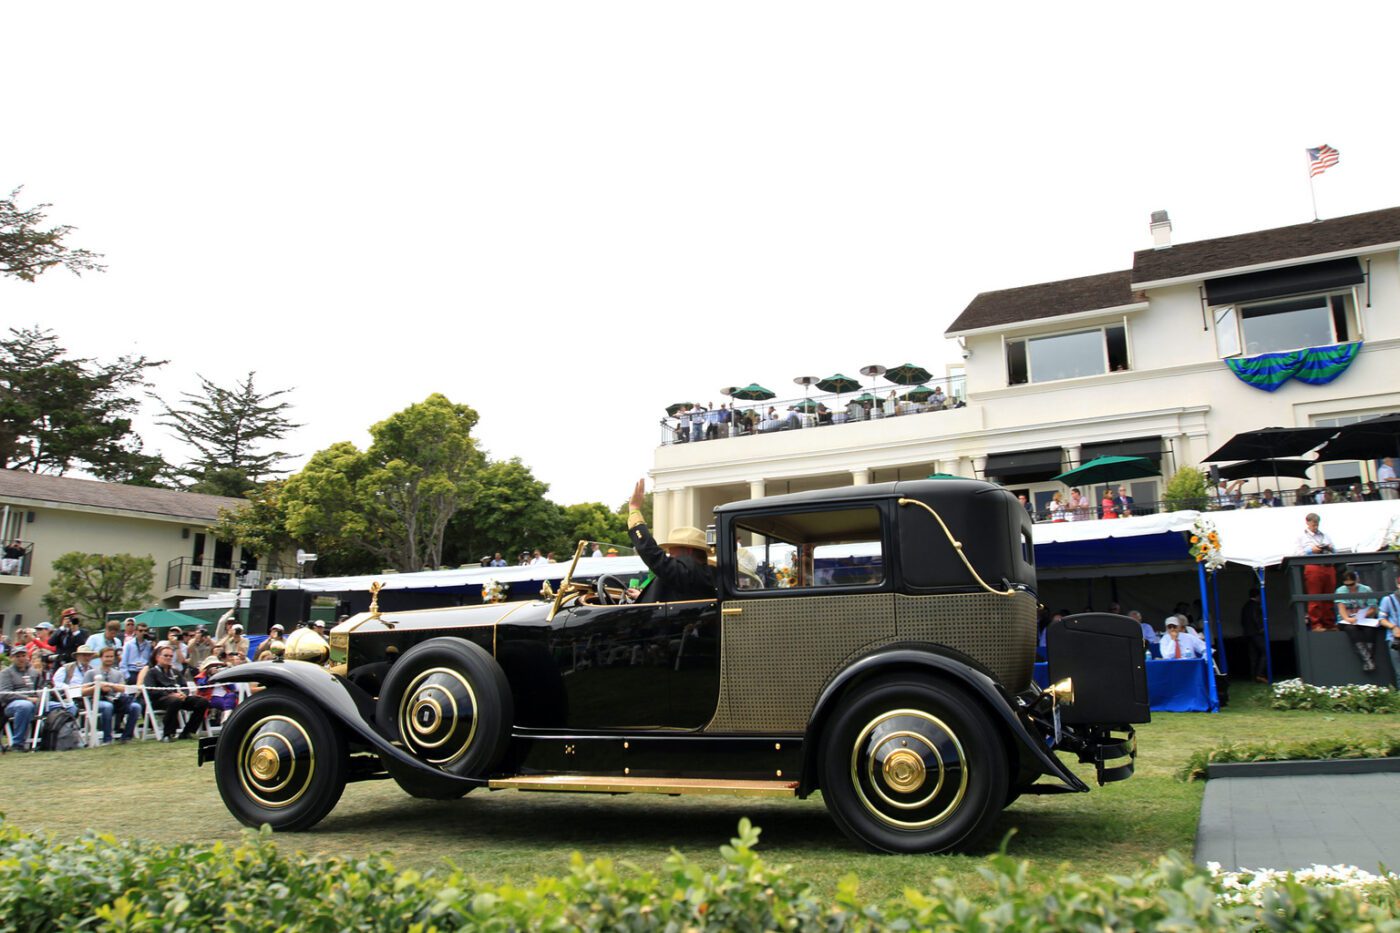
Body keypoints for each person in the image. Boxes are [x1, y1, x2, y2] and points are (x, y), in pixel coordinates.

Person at [622, 478, 715, 603]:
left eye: (672, 552)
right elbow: (677, 595)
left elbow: (650, 551)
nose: (669, 555)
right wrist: (642, 596)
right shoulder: (706, 573)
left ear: (687, 551)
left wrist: (634, 509)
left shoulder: (687, 572)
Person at [143, 644, 209, 741]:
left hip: (178, 698)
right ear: (158, 657)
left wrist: (184, 694)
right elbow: (151, 690)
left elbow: (184, 687)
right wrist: (170, 694)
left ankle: (187, 732)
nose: (168, 658)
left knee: (202, 702)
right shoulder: (151, 672)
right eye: (166, 655)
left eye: (170, 656)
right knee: (175, 701)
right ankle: (167, 734)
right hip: (160, 700)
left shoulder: (175, 671)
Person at [1297, 512, 1337, 631]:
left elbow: (1336, 550)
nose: (1315, 527)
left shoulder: (1325, 535)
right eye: (1313, 524)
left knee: (1329, 596)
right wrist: (1311, 550)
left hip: (1328, 566)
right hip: (1313, 566)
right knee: (1315, 596)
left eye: (1317, 524)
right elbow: (1298, 553)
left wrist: (1330, 548)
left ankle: (1329, 623)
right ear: (1307, 522)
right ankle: (1316, 624)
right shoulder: (1301, 537)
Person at [1335, 570, 1381, 672]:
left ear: (1356, 581)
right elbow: (1341, 608)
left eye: (1352, 584)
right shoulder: (1340, 591)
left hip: (1364, 618)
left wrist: (1362, 615)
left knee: (1370, 630)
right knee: (1351, 629)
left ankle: (1368, 660)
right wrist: (1347, 618)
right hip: (1347, 619)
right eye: (1347, 585)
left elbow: (1373, 608)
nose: (1350, 587)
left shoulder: (1366, 589)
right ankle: (1368, 660)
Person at [0, 647, 40, 749]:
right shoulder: (6, 673)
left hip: (37, 702)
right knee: (25, 706)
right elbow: (4, 694)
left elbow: (40, 688)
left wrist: (41, 697)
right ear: (12, 658)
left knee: (65, 706)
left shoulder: (33, 672)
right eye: (17, 656)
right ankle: (18, 743)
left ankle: (56, 740)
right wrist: (27, 698)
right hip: (12, 704)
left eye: (23, 656)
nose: (21, 659)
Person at [1239, 587, 1268, 683]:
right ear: (1257, 596)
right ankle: (1260, 674)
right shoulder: (1256, 606)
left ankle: (1253, 677)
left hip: (1248, 634)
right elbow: (1255, 618)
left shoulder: (1245, 606)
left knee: (1253, 656)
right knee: (1265, 652)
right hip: (1256, 633)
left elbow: (1242, 621)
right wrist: (1261, 628)